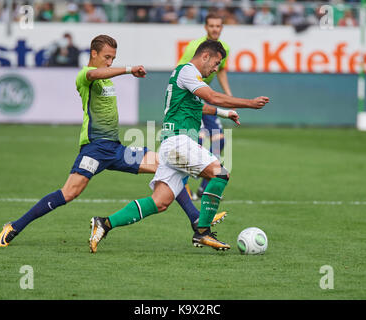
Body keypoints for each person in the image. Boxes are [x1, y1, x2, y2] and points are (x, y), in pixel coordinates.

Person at [0, 35, 227, 247]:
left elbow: (104, 75)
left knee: (167, 165)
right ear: (93, 54)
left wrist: (221, 113)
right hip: (94, 150)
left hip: (115, 148)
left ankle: (197, 220)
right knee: (69, 193)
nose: (109, 62)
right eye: (107, 57)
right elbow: (94, 74)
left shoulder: (106, 80)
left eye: (113, 59)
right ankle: (15, 226)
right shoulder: (85, 75)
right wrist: (127, 69)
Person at [89, 40, 269, 253]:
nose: (215, 68)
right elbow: (211, 96)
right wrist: (249, 103)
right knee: (220, 174)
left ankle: (104, 223)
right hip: (179, 142)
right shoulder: (187, 71)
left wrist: (224, 113)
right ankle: (202, 232)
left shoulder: (187, 77)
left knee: (160, 202)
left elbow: (198, 105)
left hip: (172, 144)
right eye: (216, 63)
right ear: (205, 56)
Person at [177, 13, 232, 200]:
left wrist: (228, 93)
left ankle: (204, 188)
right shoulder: (195, 47)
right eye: (212, 26)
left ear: (221, 28)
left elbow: (222, 70)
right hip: (190, 97)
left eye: (218, 26)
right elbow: (181, 72)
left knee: (219, 139)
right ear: (206, 27)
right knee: (196, 141)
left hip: (204, 96)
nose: (215, 29)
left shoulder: (225, 48)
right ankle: (181, 185)